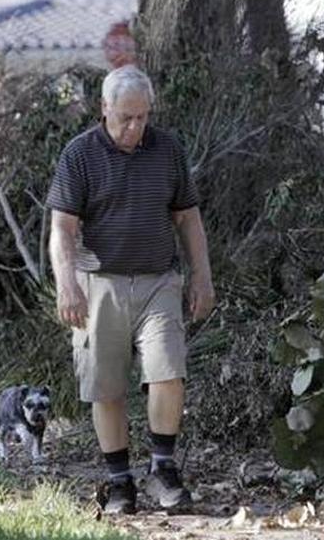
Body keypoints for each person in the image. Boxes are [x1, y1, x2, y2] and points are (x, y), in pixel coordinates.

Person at [46, 64, 215, 514]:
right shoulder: (79, 155)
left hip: (159, 280)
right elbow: (61, 228)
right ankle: (119, 480)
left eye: (143, 117)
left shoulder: (167, 150)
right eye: (126, 117)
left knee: (167, 372)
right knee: (106, 386)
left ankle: (162, 467)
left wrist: (202, 275)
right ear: (104, 109)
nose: (135, 127)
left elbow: (188, 217)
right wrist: (67, 286)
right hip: (99, 282)